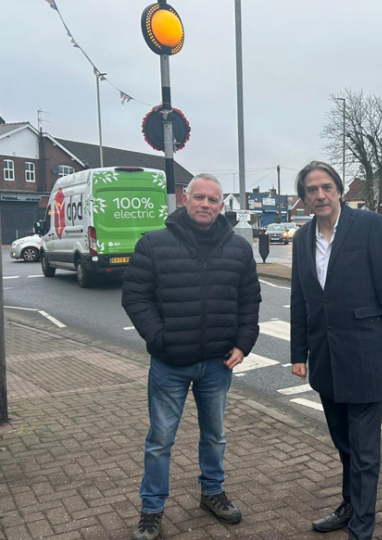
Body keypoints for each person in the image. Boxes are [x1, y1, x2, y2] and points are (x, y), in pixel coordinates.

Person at [122, 173, 261, 540]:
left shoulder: (238, 248)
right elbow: (135, 297)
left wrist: (244, 343)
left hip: (218, 363)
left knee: (215, 436)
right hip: (170, 364)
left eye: (213, 200)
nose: (205, 205)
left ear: (221, 205)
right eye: (199, 197)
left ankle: (212, 492)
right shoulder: (154, 244)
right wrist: (159, 337)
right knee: (160, 440)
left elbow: (249, 300)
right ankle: (151, 509)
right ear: (185, 200)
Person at [289, 161, 382, 540]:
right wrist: (298, 354)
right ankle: (349, 505)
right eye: (312, 190)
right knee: (344, 445)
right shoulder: (301, 238)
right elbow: (300, 301)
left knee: (365, 451)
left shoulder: (369, 226)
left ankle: (362, 527)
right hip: (326, 358)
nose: (320, 195)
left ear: (339, 191)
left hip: (365, 354)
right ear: (304, 198)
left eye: (326, 187)